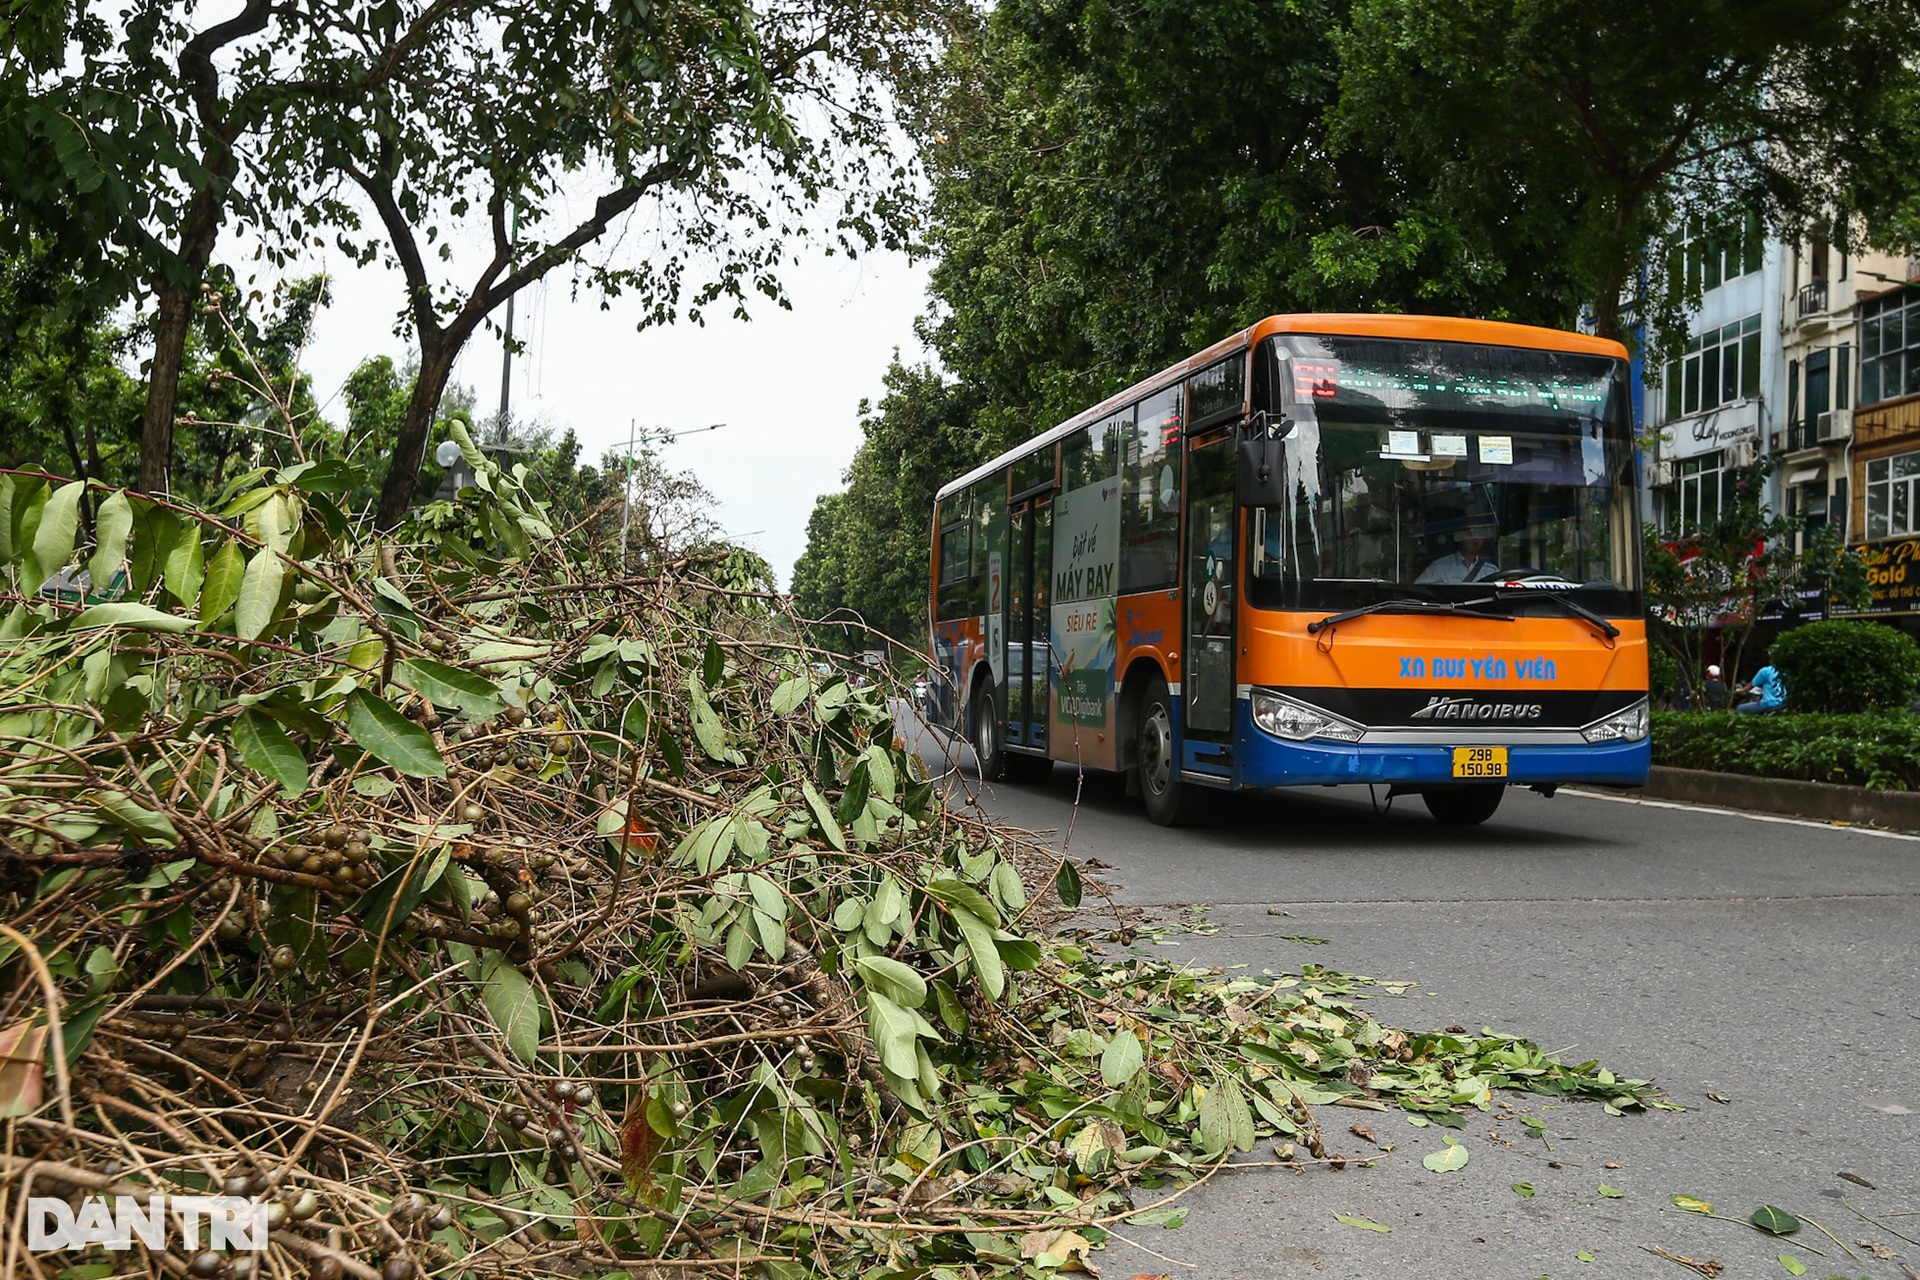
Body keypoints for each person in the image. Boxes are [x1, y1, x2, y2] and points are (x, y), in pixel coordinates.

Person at [1416, 525, 1498, 584]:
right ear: (1459, 537)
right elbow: (1418, 590)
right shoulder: (1439, 567)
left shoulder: (1491, 571)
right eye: (1470, 534)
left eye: (1480, 534)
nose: (1476, 540)